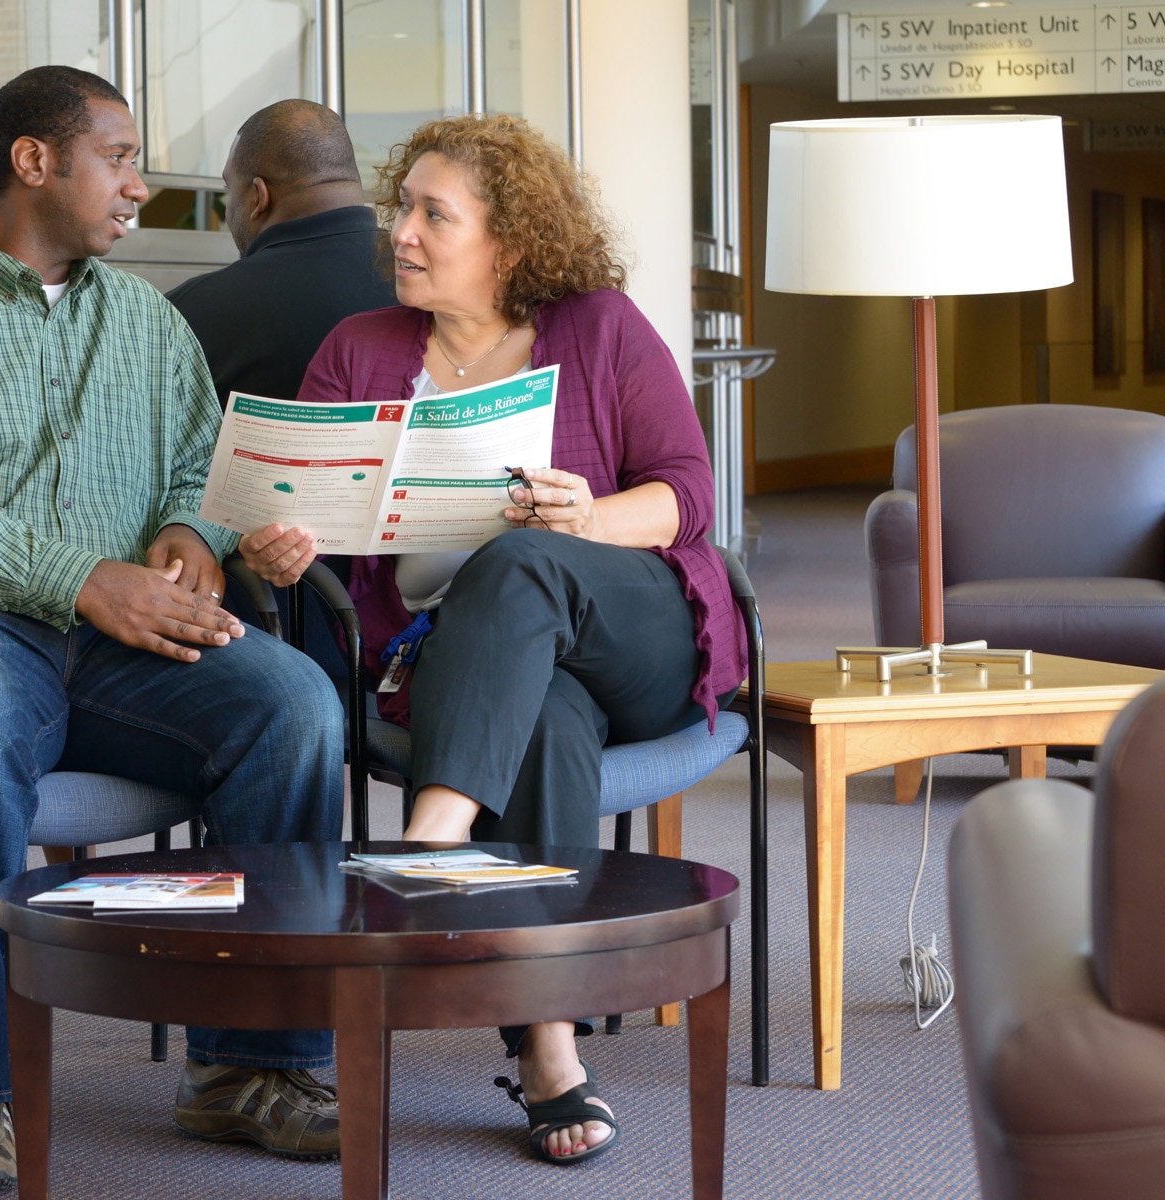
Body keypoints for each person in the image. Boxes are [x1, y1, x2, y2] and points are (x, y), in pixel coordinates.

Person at [0, 66, 345, 1193]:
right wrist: (85, 580)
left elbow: (203, 458)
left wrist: (192, 531)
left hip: (118, 646)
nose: (141, 186)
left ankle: (249, 1068)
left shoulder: (144, 319)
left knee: (293, 705)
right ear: (34, 162)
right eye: (120, 157)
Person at [240, 114, 747, 1168]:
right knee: (545, 722)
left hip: (631, 627)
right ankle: (551, 1048)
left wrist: (584, 519)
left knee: (515, 562)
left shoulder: (600, 327)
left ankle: (426, 847)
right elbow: (304, 510)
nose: (404, 233)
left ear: (509, 241)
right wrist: (281, 549)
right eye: (403, 208)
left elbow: (689, 496)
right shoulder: (362, 348)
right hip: (459, 659)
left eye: (435, 214)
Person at [167, 97, 397, 668]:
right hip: (437, 605)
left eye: (229, 195)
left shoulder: (196, 312)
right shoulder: (436, 283)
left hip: (284, 627)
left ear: (258, 195)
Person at [167, 98, 397, 406]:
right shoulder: (427, 284)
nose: (229, 206)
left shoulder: (186, 313)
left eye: (229, 190)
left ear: (259, 196)